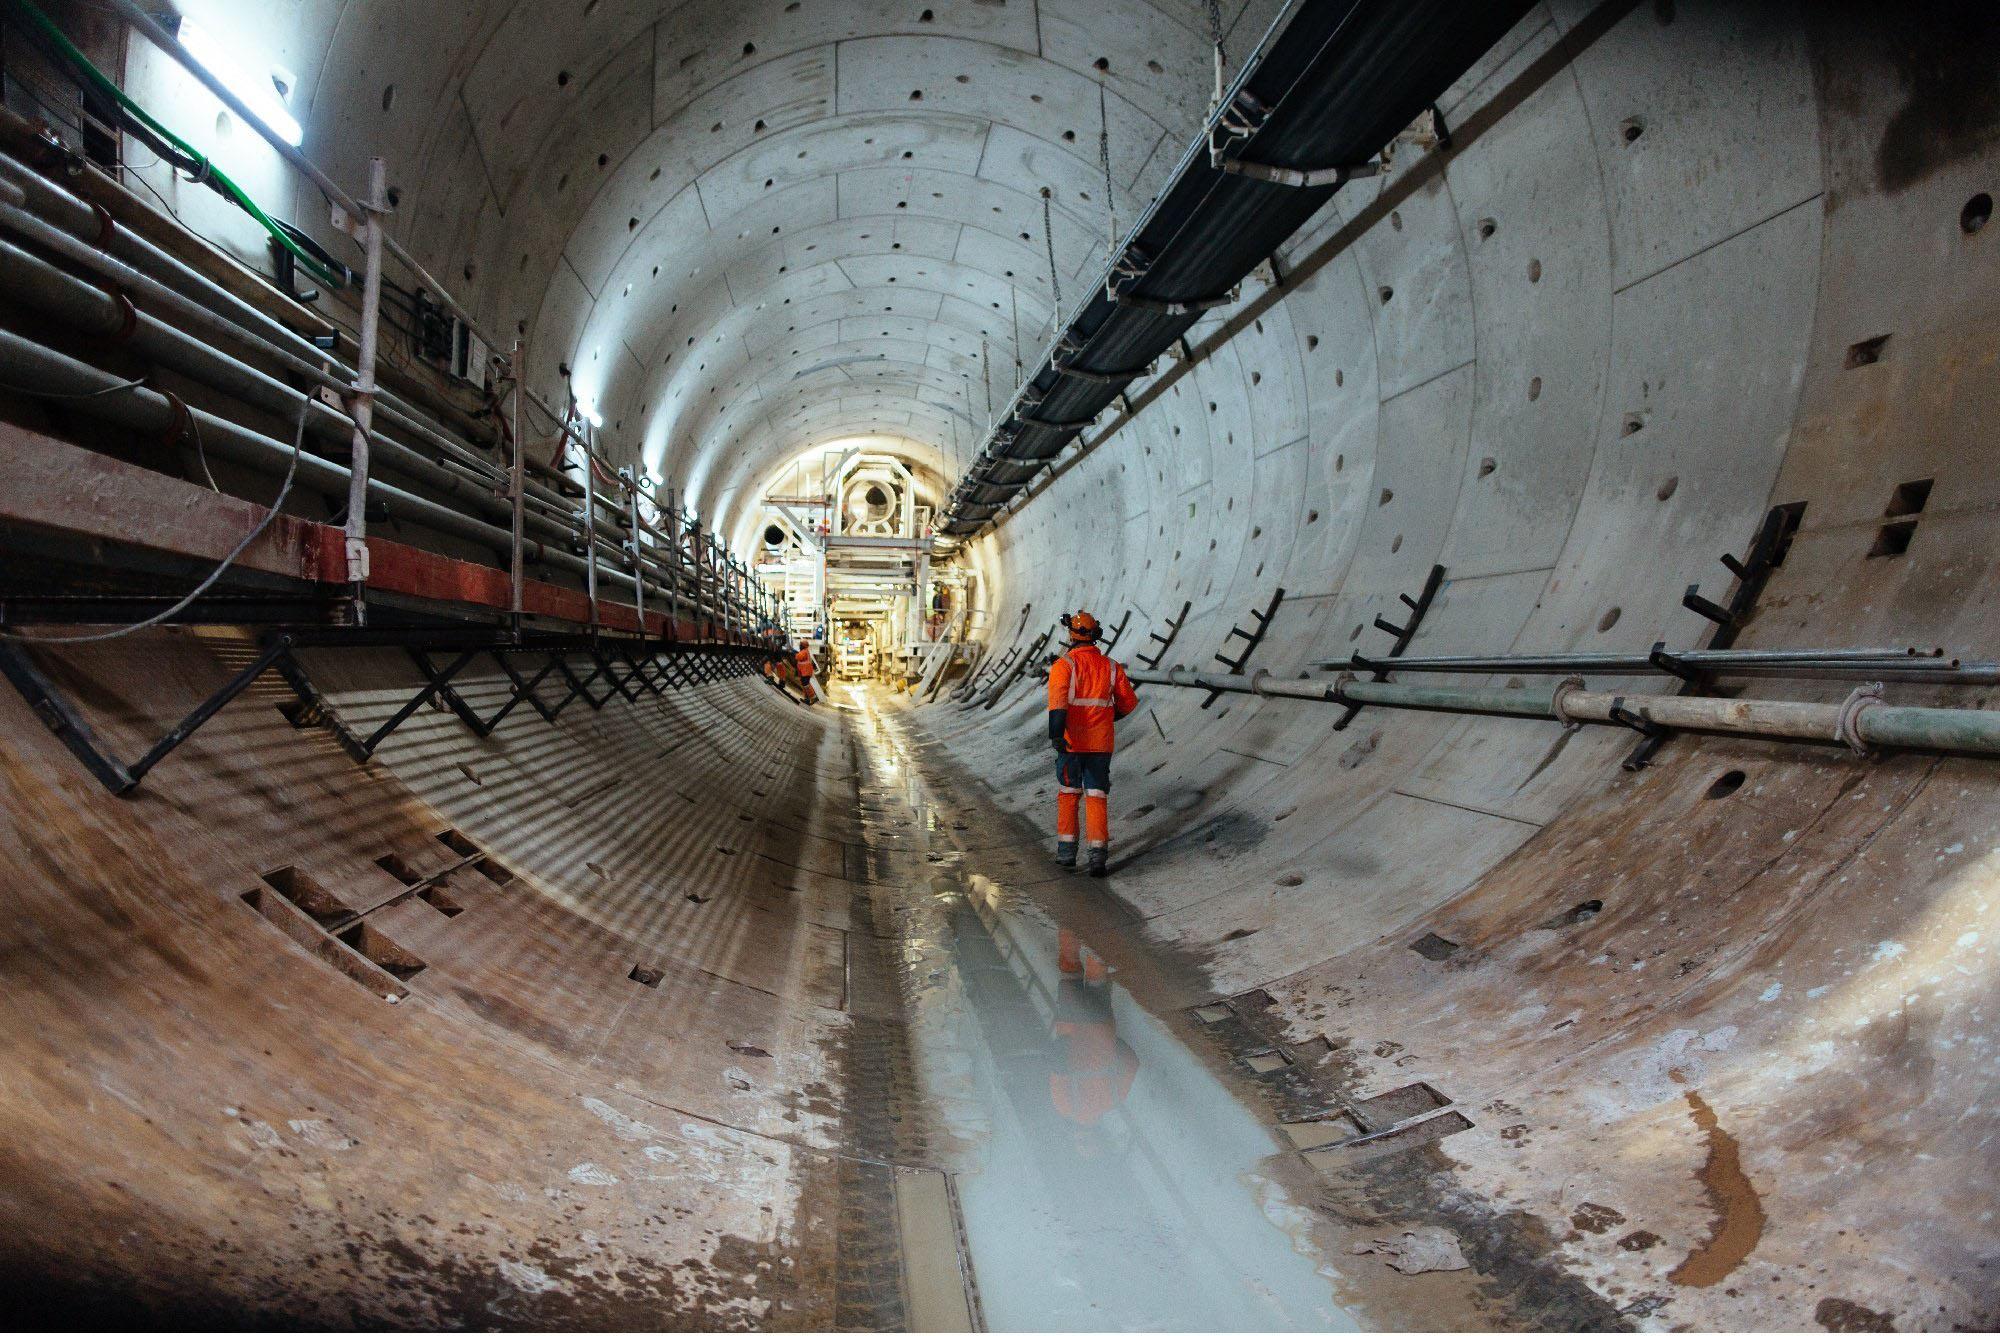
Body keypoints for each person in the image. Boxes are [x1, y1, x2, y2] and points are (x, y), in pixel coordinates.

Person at [1046, 610, 1137, 877]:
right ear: (1095, 635)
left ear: (1071, 635)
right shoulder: (1111, 667)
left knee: (1068, 794)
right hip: (1100, 745)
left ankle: (1066, 854)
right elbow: (1129, 703)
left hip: (1071, 744)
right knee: (1097, 797)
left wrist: (1056, 735)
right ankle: (1098, 858)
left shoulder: (1064, 666)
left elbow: (1058, 705)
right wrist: (1108, 717)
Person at [794, 639, 819, 705]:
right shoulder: (805, 651)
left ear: (803, 646)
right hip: (804, 671)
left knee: (806, 684)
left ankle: (813, 697)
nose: (799, 646)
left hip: (806, 671)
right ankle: (807, 699)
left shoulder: (804, 652)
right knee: (804, 684)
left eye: (800, 645)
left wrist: (795, 654)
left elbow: (798, 657)